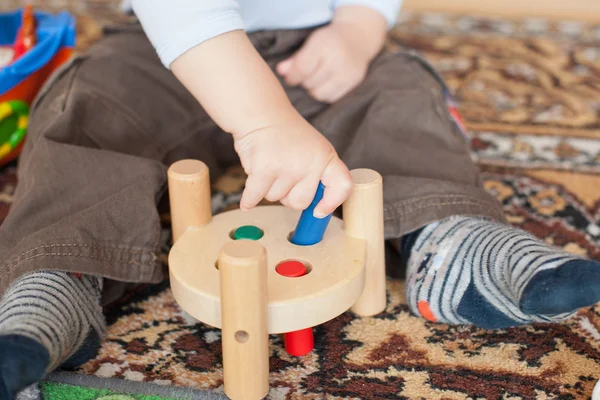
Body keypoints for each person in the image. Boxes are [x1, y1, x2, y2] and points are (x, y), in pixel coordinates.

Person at [1, 1, 599, 398]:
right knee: (85, 106)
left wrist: (359, 28)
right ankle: (59, 273)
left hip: (319, 43)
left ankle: (452, 241)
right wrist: (262, 121)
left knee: (402, 96)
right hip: (170, 48)